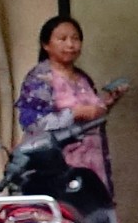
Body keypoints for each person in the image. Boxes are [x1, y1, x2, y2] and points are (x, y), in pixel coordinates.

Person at [16, 16, 120, 189]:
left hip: (92, 161)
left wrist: (106, 103)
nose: (70, 45)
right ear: (46, 44)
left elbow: (93, 117)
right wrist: (74, 114)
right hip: (58, 164)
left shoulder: (83, 78)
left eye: (75, 39)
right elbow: (33, 124)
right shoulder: (40, 79)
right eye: (62, 39)